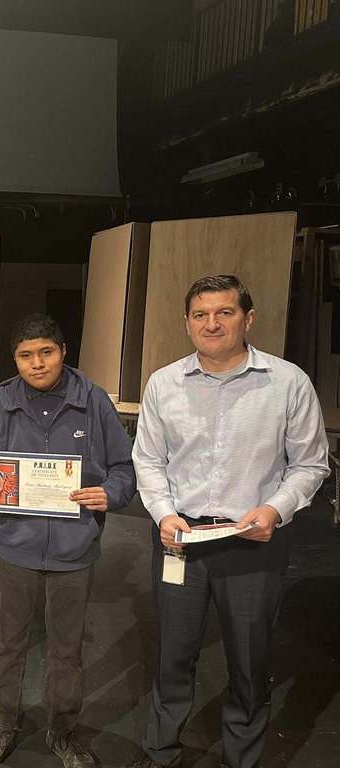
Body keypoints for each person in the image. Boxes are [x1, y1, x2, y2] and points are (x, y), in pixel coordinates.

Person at [129, 275, 328, 768]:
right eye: (200, 315)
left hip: (253, 542)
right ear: (187, 323)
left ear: (248, 318)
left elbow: (311, 463)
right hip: (182, 541)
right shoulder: (164, 383)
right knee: (173, 657)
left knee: (248, 659)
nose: (212, 323)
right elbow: (148, 460)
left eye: (224, 313)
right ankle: (160, 753)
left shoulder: (288, 382)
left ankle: (242, 758)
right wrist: (164, 513)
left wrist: (276, 509)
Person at [0, 313, 136, 768]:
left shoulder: (94, 401)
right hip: (15, 544)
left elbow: (124, 468)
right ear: (14, 360)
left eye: (46, 352)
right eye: (25, 356)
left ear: (62, 352)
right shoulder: (2, 404)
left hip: (73, 546)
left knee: (67, 648)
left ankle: (63, 731)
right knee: (8, 644)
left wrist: (111, 493)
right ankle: (3, 723)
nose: (36, 364)